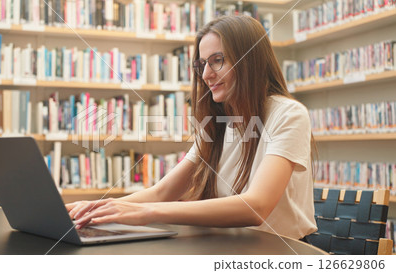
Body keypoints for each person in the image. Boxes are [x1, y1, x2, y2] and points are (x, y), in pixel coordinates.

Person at [66, 15, 317, 240]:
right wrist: (94, 208)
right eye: (202, 65)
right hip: (232, 246)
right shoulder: (218, 123)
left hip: (280, 253)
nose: (206, 74)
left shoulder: (289, 114)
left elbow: (256, 206)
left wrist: (147, 213)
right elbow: (162, 192)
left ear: (250, 60)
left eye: (217, 60)